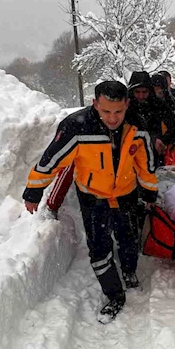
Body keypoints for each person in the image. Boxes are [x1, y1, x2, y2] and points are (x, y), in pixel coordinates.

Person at [23, 80, 158, 322]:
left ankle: (129, 270)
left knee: (128, 238)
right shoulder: (77, 127)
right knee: (99, 247)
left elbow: (145, 163)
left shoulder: (138, 126)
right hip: (93, 196)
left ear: (127, 104)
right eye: (106, 111)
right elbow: (52, 160)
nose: (113, 118)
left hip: (126, 193)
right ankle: (114, 293)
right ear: (95, 104)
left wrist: (149, 191)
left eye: (118, 111)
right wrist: (34, 190)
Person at [128, 70, 175, 162]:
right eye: (137, 92)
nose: (141, 96)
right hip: (131, 155)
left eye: (144, 92)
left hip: (156, 155)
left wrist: (163, 140)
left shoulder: (158, 105)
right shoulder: (126, 108)